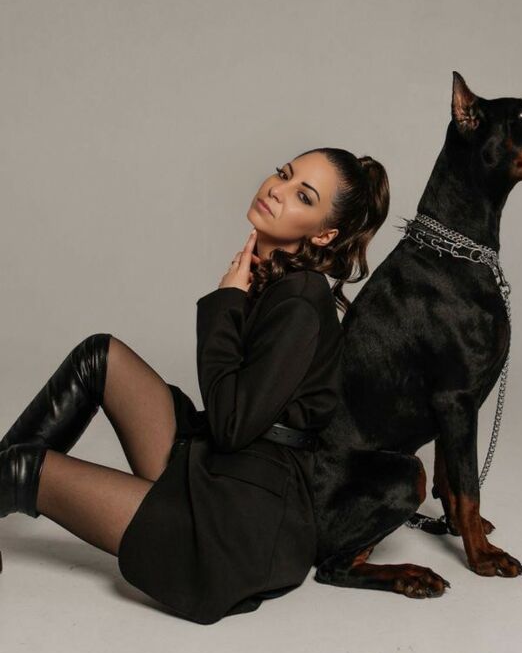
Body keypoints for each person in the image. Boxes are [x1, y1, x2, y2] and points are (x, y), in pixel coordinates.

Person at [0, 148, 390, 624]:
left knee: (24, 469)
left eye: (303, 196)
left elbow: (231, 425)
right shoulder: (276, 279)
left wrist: (227, 301)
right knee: (98, 357)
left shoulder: (301, 302)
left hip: (240, 526)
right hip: (223, 469)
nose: (277, 190)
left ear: (324, 233)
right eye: (283, 175)